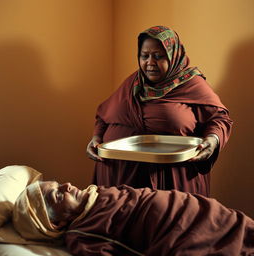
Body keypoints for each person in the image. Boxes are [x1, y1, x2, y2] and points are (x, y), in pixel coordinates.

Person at [86, 25, 233, 197]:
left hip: (171, 180)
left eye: (158, 56)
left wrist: (213, 141)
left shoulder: (192, 84)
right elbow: (104, 116)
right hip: (118, 179)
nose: (150, 63)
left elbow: (220, 119)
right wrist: (96, 138)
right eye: (144, 56)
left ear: (173, 56)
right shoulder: (133, 83)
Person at [13, 181, 254, 256]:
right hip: (189, 234)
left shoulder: (97, 193)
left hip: (209, 213)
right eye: (56, 194)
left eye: (58, 182)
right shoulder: (83, 234)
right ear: (55, 222)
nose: (66, 185)